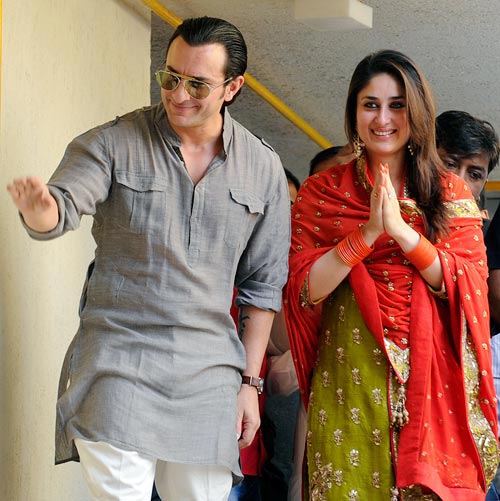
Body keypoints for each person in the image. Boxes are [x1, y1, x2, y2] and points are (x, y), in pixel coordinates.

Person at [7, 16, 291, 501]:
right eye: (170, 77)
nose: (179, 94)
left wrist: (249, 383)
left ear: (233, 87)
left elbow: (262, 287)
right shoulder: (113, 141)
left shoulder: (262, 167)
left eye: (197, 84)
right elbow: (63, 205)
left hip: (208, 371)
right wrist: (41, 210)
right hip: (119, 358)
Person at [284, 49, 498, 500]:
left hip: (433, 382)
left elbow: (467, 284)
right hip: (348, 377)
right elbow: (305, 289)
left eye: (396, 105)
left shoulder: (450, 192)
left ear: (416, 113)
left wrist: (403, 234)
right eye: (370, 104)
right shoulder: (323, 191)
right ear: (353, 113)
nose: (383, 119)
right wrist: (366, 235)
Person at [436, 109, 500, 225]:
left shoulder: (490, 234)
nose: (459, 180)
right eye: (450, 165)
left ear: (484, 184)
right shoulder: (401, 221)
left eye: (474, 175)